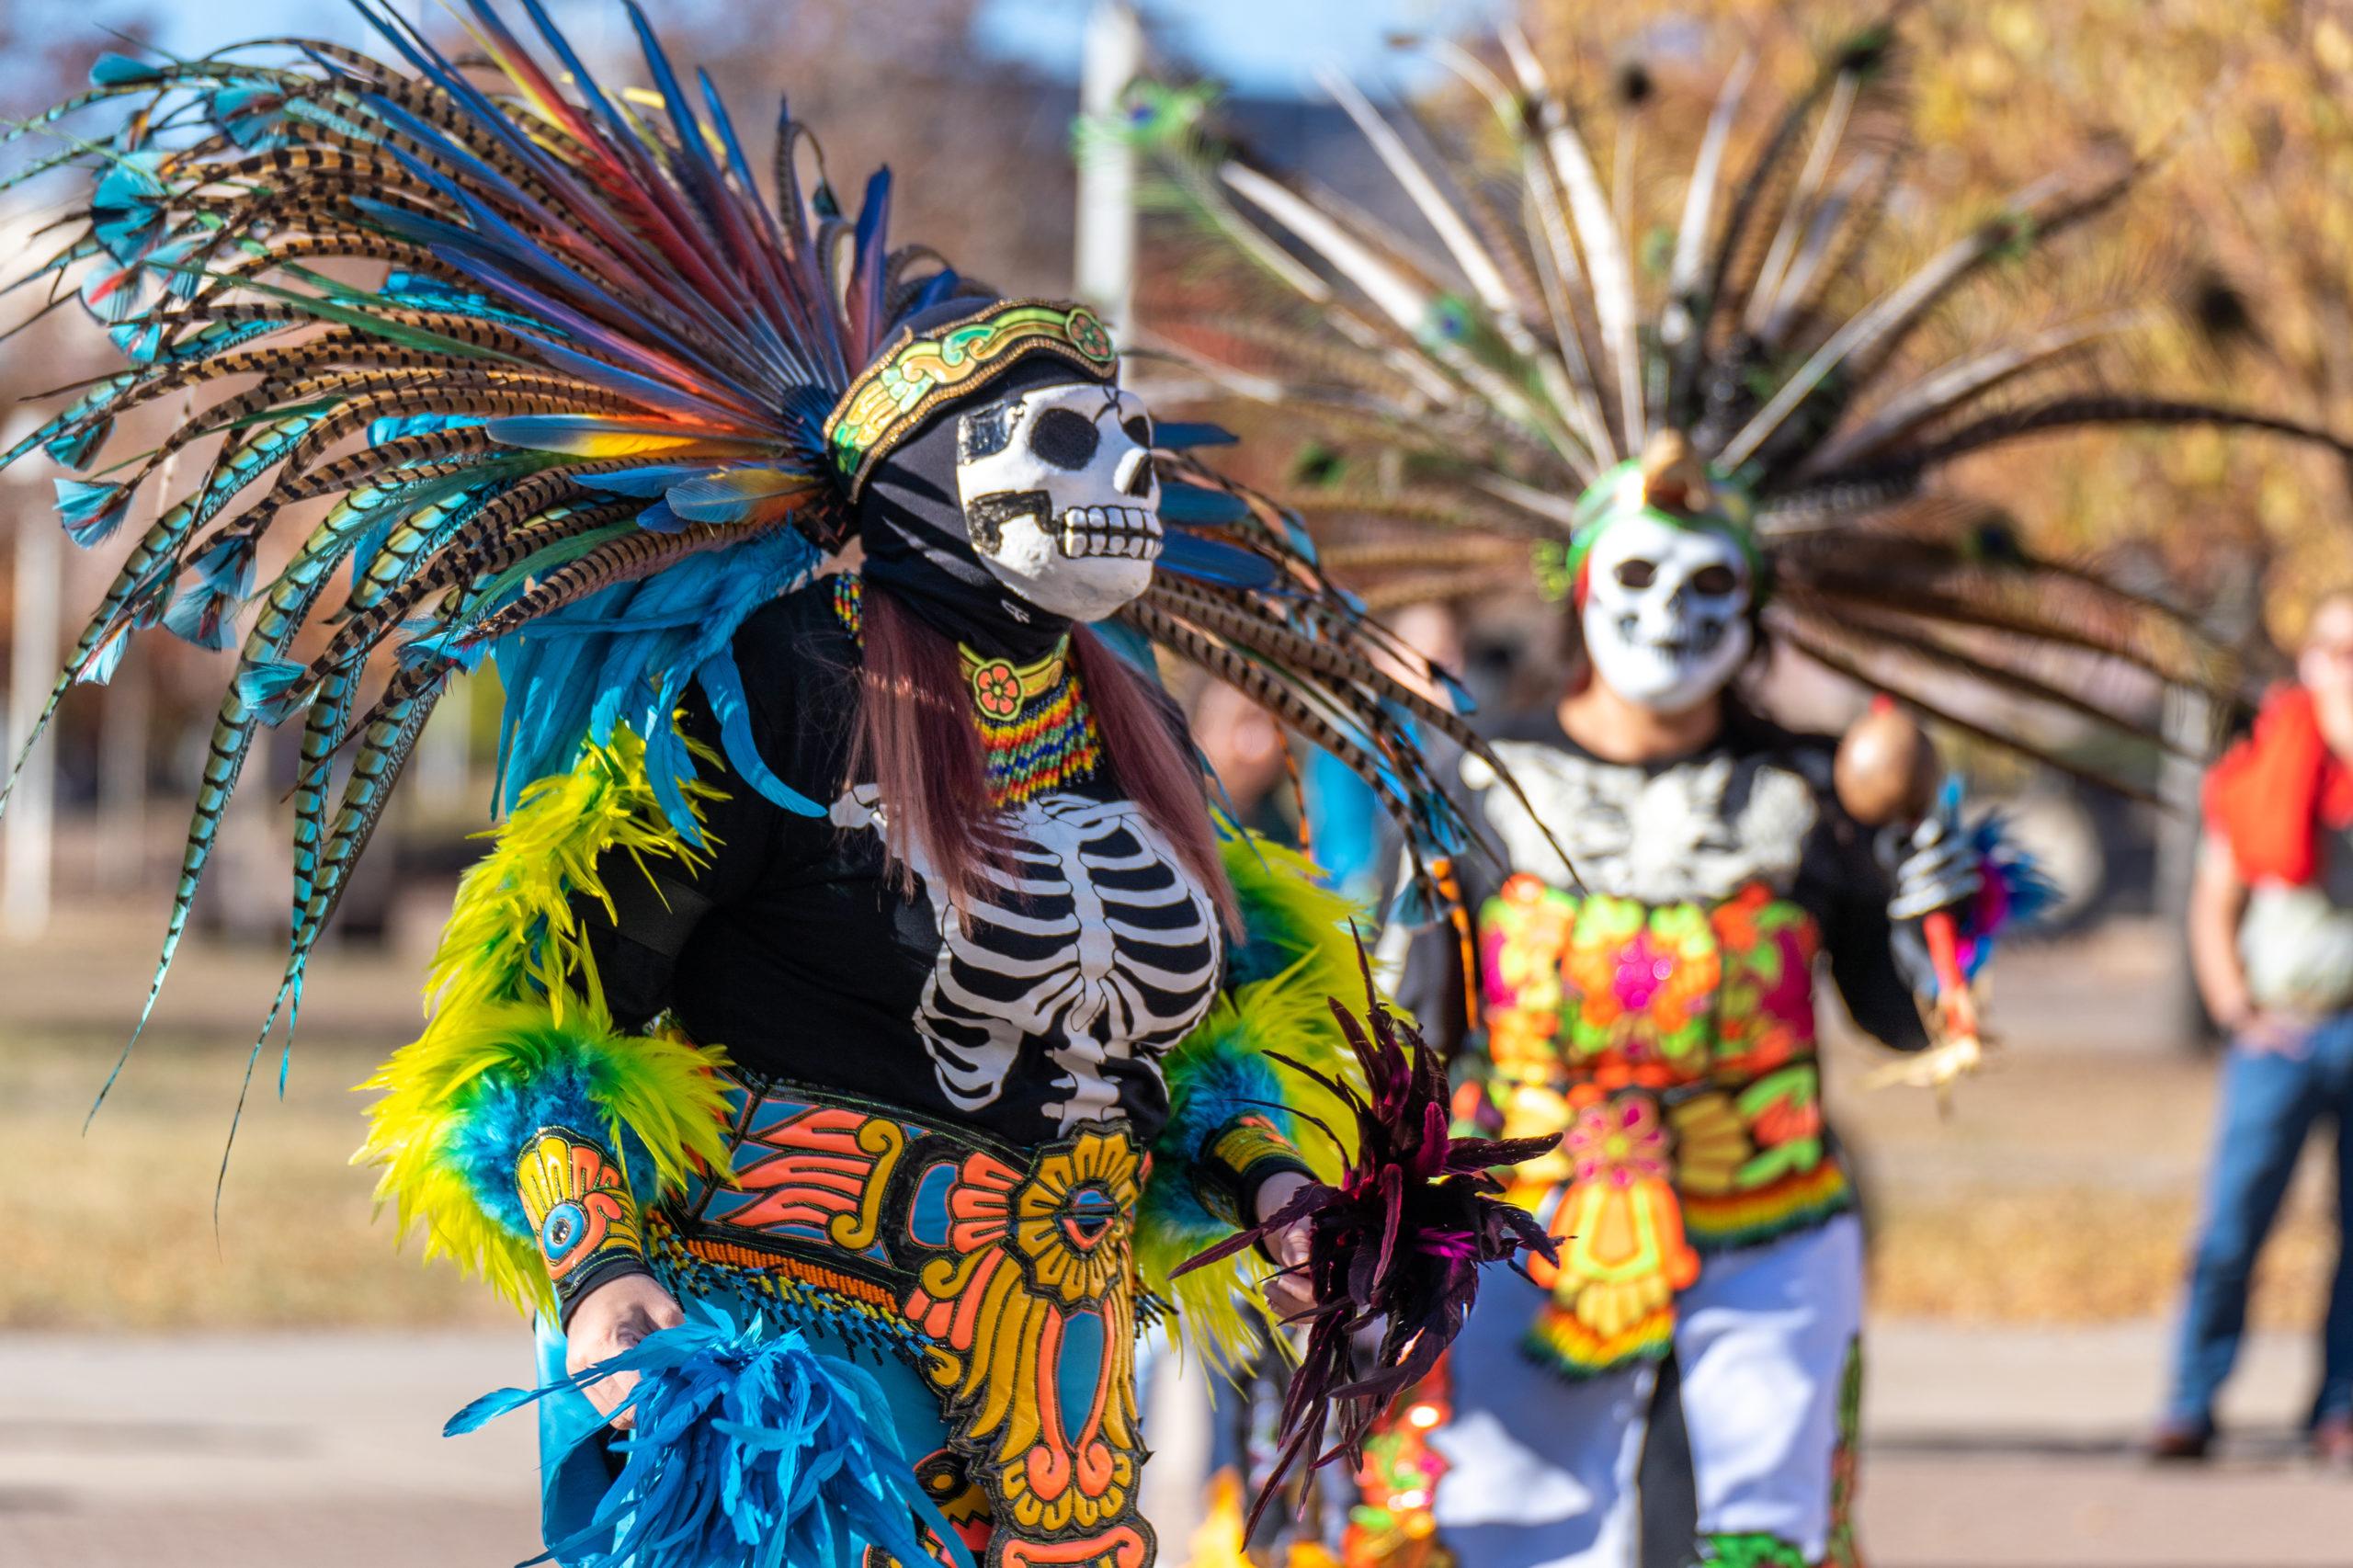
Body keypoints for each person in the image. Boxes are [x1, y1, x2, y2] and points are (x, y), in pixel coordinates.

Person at [2, 11, 1534, 1566]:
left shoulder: (1116, 715)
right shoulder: (779, 690)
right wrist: (597, 1267)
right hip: (788, 1358)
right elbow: (547, 1016)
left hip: (1058, 1373)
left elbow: (1196, 1035)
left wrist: (1276, 1181)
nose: (1120, 482)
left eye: (1128, 444)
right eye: (1061, 442)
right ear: (924, 479)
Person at [1111, 17, 2353, 1564]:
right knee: (1507, 1528)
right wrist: (1362, 1214)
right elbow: (1415, 1023)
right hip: (1531, 1232)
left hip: (1768, 1227)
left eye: (1714, 588)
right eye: (1642, 577)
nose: (1674, 617)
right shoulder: (1485, 784)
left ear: (1758, 608)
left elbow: (1903, 1021)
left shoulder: (1810, 798)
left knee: (1757, 1536)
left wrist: (1906, 853)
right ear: (1581, 587)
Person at [2156, 590, 2353, 1463]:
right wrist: (2235, 1005)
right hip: (2280, 1033)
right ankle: (2190, 1403)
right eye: (2338, 652)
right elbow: (2214, 903)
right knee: (2232, 1229)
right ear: (2308, 661)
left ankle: (2339, 1411)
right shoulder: (2266, 765)